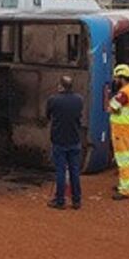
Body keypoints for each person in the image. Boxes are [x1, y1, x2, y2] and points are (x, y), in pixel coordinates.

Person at [45, 75, 84, 210]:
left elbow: (48, 115)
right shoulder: (79, 100)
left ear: (61, 86)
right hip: (74, 140)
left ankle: (60, 200)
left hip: (59, 140)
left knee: (61, 171)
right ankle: (76, 201)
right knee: (74, 171)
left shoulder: (53, 100)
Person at [106, 64, 129, 201]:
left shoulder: (124, 92)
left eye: (117, 78)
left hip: (121, 131)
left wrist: (109, 98)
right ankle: (124, 184)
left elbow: (111, 108)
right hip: (126, 129)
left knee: (123, 160)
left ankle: (125, 189)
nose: (115, 80)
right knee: (125, 159)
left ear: (122, 78)